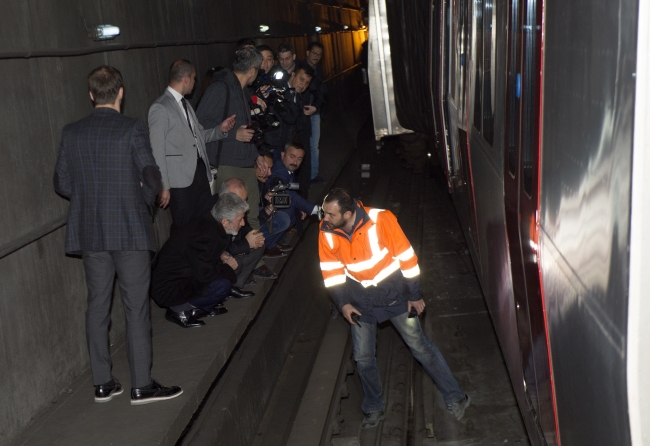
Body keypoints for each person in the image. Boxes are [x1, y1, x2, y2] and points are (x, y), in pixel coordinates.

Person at [54, 65, 182, 405]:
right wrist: (140, 205)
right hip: (129, 232)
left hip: (92, 234)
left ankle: (102, 384)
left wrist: (89, 199)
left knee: (97, 306)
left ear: (92, 95)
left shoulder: (72, 132)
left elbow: (62, 183)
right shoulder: (132, 129)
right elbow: (152, 178)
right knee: (135, 308)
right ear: (121, 93)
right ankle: (141, 385)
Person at [318, 188, 471, 428]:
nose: (324, 218)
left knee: (420, 346)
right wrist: (343, 303)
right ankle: (373, 407)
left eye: (329, 214)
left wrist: (414, 296)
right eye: (325, 213)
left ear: (347, 214)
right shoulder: (326, 231)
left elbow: (408, 259)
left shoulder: (382, 219)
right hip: (360, 302)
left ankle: (456, 397)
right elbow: (331, 272)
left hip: (394, 296)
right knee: (363, 357)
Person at [149, 59, 236, 231]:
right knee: (183, 226)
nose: (195, 83)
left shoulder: (185, 104)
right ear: (186, 79)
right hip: (179, 181)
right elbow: (156, 149)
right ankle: (178, 258)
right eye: (194, 78)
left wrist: (220, 129)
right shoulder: (160, 107)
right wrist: (163, 186)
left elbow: (198, 137)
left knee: (203, 221)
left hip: (198, 173)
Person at [196, 48, 270, 229]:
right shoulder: (219, 89)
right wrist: (232, 135)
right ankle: (230, 257)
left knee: (251, 219)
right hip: (228, 165)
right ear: (251, 71)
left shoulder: (242, 91)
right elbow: (200, 125)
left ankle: (254, 256)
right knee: (229, 222)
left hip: (245, 163)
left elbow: (246, 132)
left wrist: (257, 156)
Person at [150, 193, 249, 328]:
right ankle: (178, 310)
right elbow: (205, 273)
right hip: (168, 288)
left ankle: (200, 308)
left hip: (185, 276)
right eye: (240, 219)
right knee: (221, 286)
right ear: (225, 221)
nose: (243, 223)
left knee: (225, 277)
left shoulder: (210, 225)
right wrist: (228, 268)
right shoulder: (202, 234)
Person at [267, 142, 320, 253]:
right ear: (282, 155)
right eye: (292, 157)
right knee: (287, 216)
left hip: (275, 203)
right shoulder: (280, 171)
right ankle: (268, 245)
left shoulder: (286, 167)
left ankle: (274, 241)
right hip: (264, 209)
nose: (295, 162)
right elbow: (290, 196)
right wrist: (316, 209)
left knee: (297, 212)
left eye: (299, 159)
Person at [217, 178, 264, 295]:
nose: (242, 205)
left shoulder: (237, 208)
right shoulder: (214, 214)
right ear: (223, 196)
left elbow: (244, 227)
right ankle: (220, 288)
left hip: (231, 249)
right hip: (217, 259)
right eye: (239, 201)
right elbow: (218, 250)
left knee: (259, 245)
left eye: (244, 201)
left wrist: (253, 236)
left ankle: (235, 285)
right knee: (238, 262)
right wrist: (246, 243)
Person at [303, 42, 327, 184]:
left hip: (315, 111)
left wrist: (317, 107)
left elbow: (321, 92)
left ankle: (313, 174)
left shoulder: (319, 70)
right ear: (307, 53)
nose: (316, 57)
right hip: (303, 111)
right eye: (314, 53)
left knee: (314, 145)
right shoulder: (301, 68)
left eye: (319, 54)